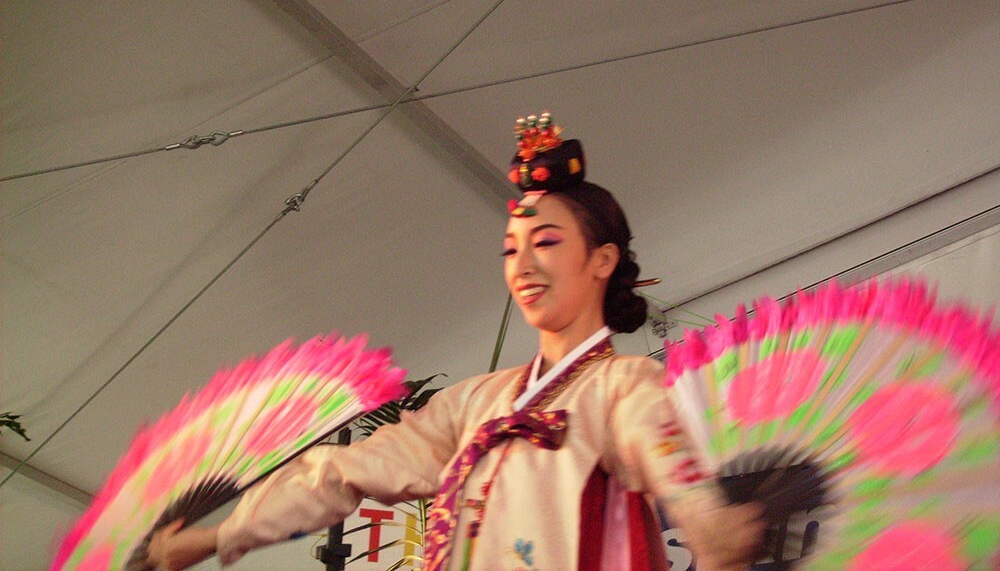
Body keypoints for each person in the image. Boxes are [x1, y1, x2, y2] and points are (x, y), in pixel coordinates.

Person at [148, 114, 763, 570]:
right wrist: (214, 538)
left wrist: (709, 527)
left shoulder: (622, 386)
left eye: (546, 242)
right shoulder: (474, 405)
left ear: (602, 260)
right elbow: (341, 471)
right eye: (510, 250)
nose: (522, 266)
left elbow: (667, 464)